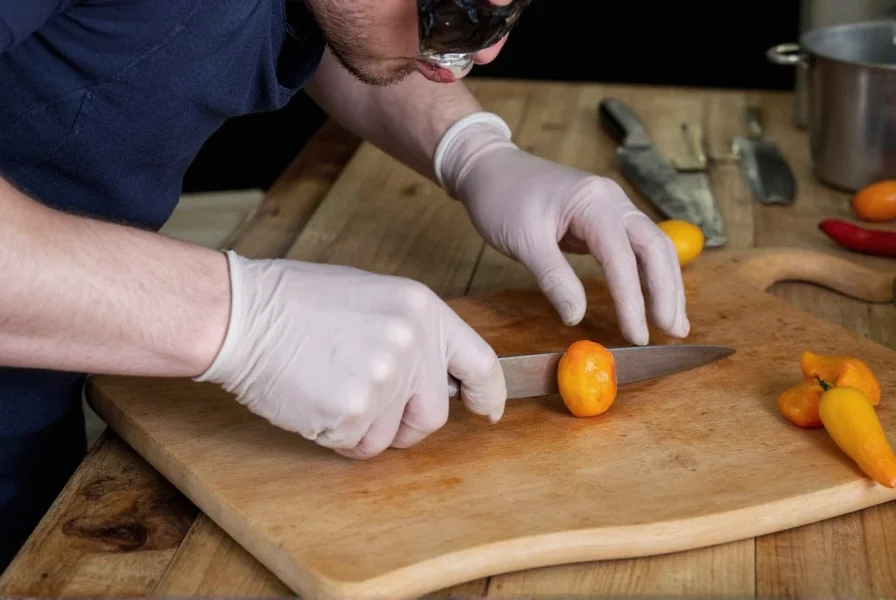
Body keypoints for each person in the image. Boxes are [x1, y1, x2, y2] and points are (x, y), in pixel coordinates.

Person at [0, 0, 689, 569]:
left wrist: (472, 148)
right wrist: (239, 320)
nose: (482, 55)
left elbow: (335, 17)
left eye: (504, 18)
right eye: (453, 12)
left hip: (42, 401)